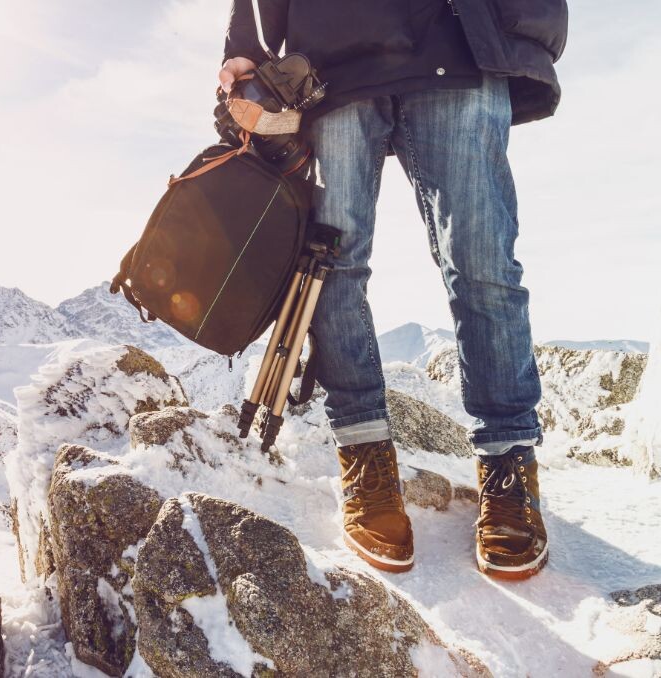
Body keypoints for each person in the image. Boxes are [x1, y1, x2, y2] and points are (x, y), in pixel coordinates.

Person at [219, 0, 568, 579]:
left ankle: (509, 461)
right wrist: (245, 43)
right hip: (330, 63)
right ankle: (364, 452)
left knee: (483, 263)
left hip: (457, 46)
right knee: (331, 266)